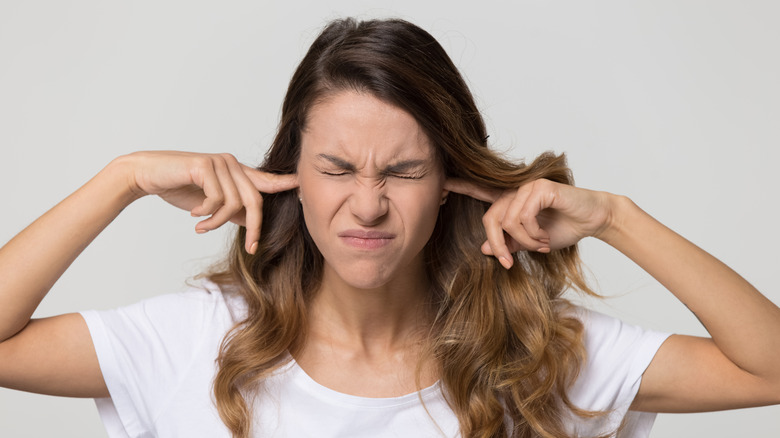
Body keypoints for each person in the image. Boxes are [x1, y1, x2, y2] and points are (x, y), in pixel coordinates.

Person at [1, 17, 779, 438]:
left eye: (402, 172)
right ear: (290, 176)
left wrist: (617, 218)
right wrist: (122, 179)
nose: (367, 206)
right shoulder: (192, 344)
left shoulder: (540, 356)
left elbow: (770, 371)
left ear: (449, 184)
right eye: (337, 169)